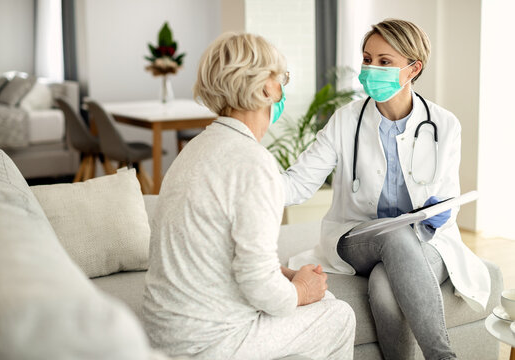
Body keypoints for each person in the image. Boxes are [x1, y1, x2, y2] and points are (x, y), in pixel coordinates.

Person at [281, 19, 491, 360]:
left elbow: (449, 197)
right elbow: (300, 182)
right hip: (357, 238)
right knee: (393, 236)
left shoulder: (444, 124)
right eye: (367, 59)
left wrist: (443, 211)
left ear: (413, 69)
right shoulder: (346, 120)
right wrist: (254, 182)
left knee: (384, 284)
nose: (370, 69)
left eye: (384, 61)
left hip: (425, 242)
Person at [142, 33, 356, 360]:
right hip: (211, 343)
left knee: (315, 302)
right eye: (281, 78)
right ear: (267, 87)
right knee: (337, 315)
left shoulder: (194, 150)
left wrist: (287, 276)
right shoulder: (253, 162)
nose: (282, 89)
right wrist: (300, 290)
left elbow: (219, 251)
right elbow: (256, 282)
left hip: (165, 334)